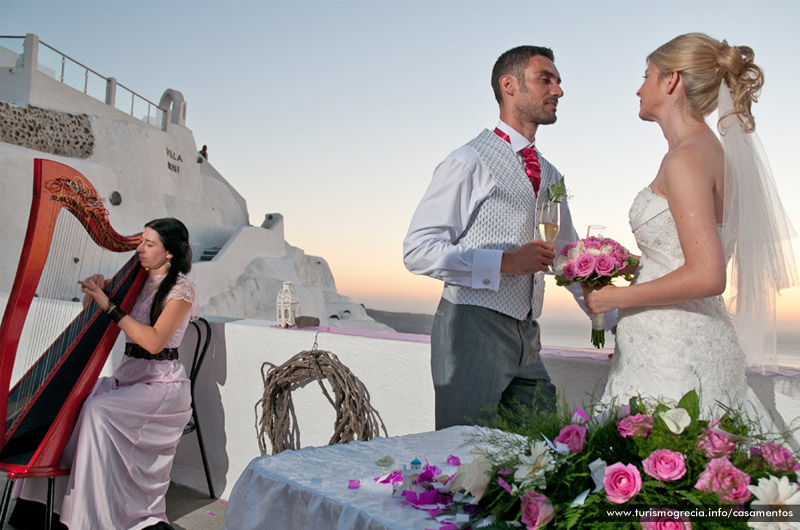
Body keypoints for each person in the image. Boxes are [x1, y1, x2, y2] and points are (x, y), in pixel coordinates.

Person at [583, 33, 797, 416]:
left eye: (646, 75)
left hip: (672, 352)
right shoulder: (705, 152)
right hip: (681, 341)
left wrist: (613, 298)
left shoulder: (687, 159)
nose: (638, 88)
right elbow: (685, 249)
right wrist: (629, 264)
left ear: (672, 80)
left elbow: (708, 275)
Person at [404, 46, 609, 429]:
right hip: (469, 328)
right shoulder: (467, 161)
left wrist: (611, 320)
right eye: (545, 79)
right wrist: (505, 263)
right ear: (509, 85)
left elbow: (567, 255)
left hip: (528, 335)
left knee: (546, 449)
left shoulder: (551, 174)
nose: (558, 91)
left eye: (559, 81)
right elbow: (418, 249)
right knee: (462, 458)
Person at [10, 217, 200, 530]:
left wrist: (108, 304)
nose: (140, 249)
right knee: (70, 400)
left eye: (149, 244)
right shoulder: (135, 279)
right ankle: (43, 508)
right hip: (128, 378)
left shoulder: (182, 291)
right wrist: (96, 292)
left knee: (97, 410)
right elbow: (96, 316)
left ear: (169, 253)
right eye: (140, 241)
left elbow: (153, 342)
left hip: (162, 386)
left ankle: (92, 516)